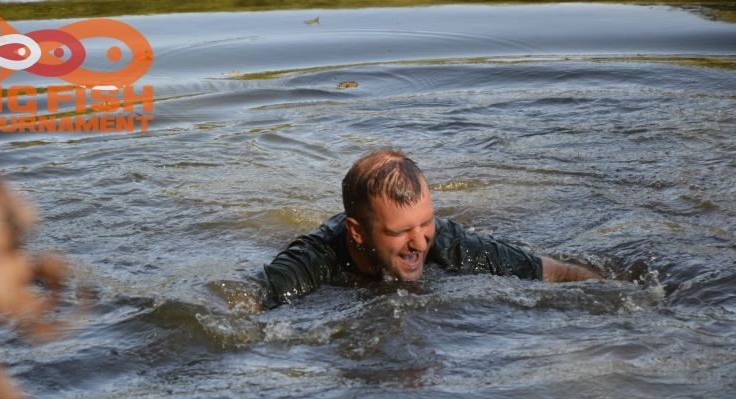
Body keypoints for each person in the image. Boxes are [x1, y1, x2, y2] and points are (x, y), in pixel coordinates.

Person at [251, 149, 602, 310]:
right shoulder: (316, 257)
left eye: (426, 222)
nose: (419, 242)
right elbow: (246, 299)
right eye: (400, 231)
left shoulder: (445, 240)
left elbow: (556, 272)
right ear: (356, 232)